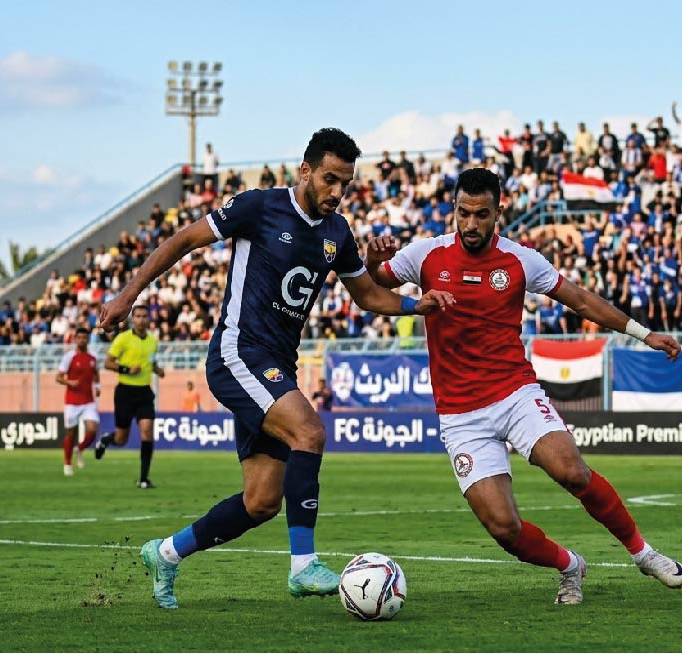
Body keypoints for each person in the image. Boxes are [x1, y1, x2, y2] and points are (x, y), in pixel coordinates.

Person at [96, 128, 454, 608]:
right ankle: (303, 567)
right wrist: (128, 295)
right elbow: (183, 240)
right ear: (305, 170)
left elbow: (368, 295)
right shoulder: (260, 206)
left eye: (345, 184)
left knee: (261, 501)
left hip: (276, 365)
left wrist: (416, 305)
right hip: (238, 353)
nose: (336, 192)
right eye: (329, 179)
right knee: (309, 431)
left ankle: (165, 554)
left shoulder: (337, 233)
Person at [363, 168, 682, 606]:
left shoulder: (519, 260)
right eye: (463, 213)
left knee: (571, 470)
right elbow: (374, 284)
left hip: (515, 393)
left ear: (498, 212)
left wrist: (643, 333)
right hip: (460, 415)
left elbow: (581, 300)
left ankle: (644, 554)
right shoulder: (426, 255)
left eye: (481, 214)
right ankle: (569, 565)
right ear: (453, 210)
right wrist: (372, 259)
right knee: (504, 528)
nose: (471, 223)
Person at [93, 307, 164, 487]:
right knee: (121, 439)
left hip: (144, 392)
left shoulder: (152, 342)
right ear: (133, 320)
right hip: (125, 392)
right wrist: (126, 369)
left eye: (144, 316)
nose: (141, 320)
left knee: (147, 430)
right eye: (138, 316)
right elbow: (108, 363)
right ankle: (106, 440)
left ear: (148, 319)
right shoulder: (122, 339)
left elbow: (150, 361)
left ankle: (143, 479)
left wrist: (157, 370)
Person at [57, 326, 101, 477]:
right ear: (75, 339)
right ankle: (67, 464)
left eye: (85, 338)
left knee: (93, 429)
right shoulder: (69, 357)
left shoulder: (93, 356)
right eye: (79, 338)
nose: (82, 340)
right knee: (71, 434)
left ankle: (80, 449)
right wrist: (69, 382)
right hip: (72, 402)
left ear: (88, 339)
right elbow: (58, 377)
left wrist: (98, 386)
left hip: (88, 401)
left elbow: (96, 373)